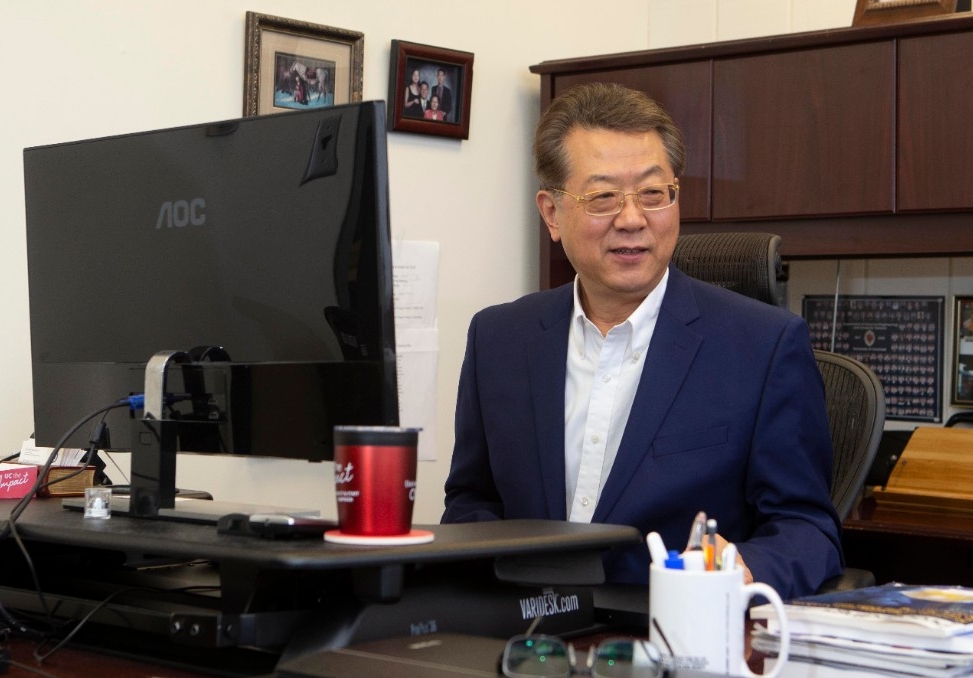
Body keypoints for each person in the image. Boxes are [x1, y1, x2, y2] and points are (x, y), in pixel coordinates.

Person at [441, 82, 843, 599]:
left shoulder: (764, 346)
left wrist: (742, 569)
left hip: (669, 637)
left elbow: (808, 530)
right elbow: (473, 500)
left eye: (654, 194)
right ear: (551, 214)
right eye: (603, 197)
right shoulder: (499, 338)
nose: (632, 220)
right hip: (522, 641)